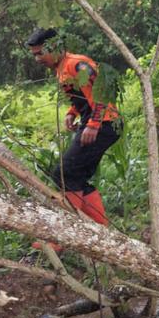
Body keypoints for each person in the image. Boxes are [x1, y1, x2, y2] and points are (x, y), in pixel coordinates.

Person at [25, 27, 118, 228]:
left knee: (64, 173)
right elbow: (82, 95)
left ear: (56, 47)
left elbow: (102, 92)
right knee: (75, 176)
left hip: (105, 123)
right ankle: (99, 229)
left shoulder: (78, 65)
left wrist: (93, 124)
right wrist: (72, 112)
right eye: (34, 55)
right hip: (94, 122)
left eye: (41, 53)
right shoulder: (62, 68)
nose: (38, 59)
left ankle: (62, 232)